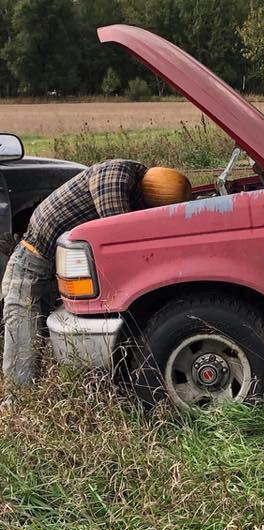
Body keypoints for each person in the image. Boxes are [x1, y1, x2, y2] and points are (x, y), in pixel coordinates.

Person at [1, 160, 192, 398]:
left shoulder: (130, 180)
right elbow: (118, 233)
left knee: (44, 328)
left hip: (54, 262)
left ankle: (42, 390)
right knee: (22, 330)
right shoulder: (114, 178)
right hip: (31, 259)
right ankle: (18, 398)